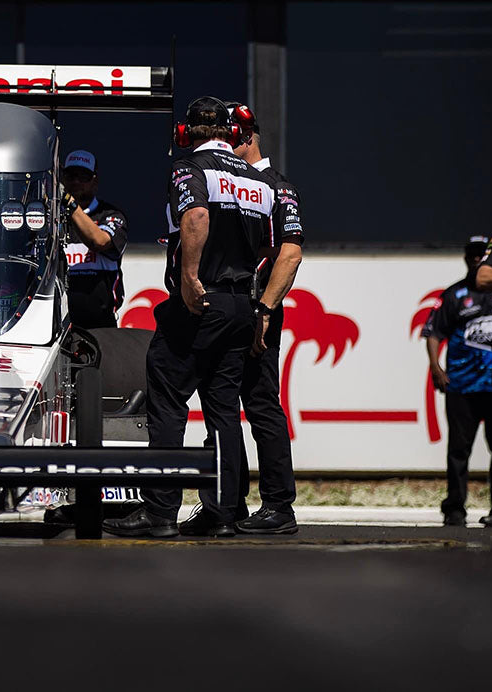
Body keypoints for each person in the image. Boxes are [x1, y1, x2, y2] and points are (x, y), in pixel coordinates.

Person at [103, 96, 275, 538]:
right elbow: (267, 247)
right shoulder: (257, 181)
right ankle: (222, 513)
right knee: (223, 411)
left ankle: (159, 513)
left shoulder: (189, 168)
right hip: (240, 304)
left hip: (202, 300)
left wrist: (190, 276)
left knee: (166, 397)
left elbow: (196, 216)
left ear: (189, 132)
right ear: (229, 133)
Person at [224, 102, 304, 534]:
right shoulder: (228, 183)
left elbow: (290, 253)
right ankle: (228, 504)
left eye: (231, 137)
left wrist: (265, 310)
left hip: (258, 311)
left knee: (260, 405)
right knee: (222, 407)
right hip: (229, 310)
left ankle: (279, 507)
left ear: (248, 137)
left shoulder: (277, 186)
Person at [429, 237, 492, 527]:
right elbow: (434, 332)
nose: (475, 260)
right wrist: (436, 366)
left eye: (480, 255)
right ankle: (454, 508)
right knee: (459, 450)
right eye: (470, 255)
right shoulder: (455, 294)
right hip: (462, 385)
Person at [60, 150, 129, 328]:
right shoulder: (50, 218)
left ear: (95, 181)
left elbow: (99, 241)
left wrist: (70, 204)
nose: (76, 182)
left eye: (83, 177)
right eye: (70, 176)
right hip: (58, 327)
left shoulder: (112, 215)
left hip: (101, 326)